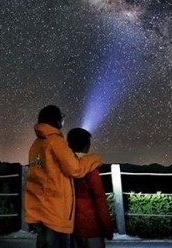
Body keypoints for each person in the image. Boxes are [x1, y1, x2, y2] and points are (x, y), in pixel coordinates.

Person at [24, 105, 103, 248]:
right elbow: (76, 169)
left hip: (40, 209)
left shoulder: (36, 144)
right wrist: (94, 159)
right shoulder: (55, 141)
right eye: (61, 118)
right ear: (56, 121)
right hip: (55, 211)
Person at [67, 128, 114, 248]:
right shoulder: (91, 168)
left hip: (70, 226)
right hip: (91, 227)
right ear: (87, 146)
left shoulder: (64, 167)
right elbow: (100, 200)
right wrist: (108, 228)